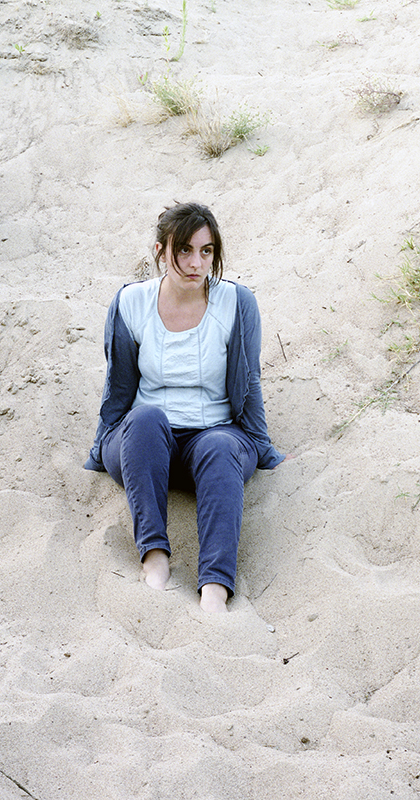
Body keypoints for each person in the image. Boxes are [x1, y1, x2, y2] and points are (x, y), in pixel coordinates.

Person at [85, 203, 287, 613]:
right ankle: (154, 555)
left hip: (213, 440)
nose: (197, 263)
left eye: (207, 251)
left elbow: (249, 381)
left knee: (220, 445)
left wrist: (264, 449)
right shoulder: (131, 302)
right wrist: (99, 448)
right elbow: (118, 387)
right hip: (144, 447)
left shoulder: (236, 302)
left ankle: (215, 585)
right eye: (185, 250)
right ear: (161, 251)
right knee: (145, 417)